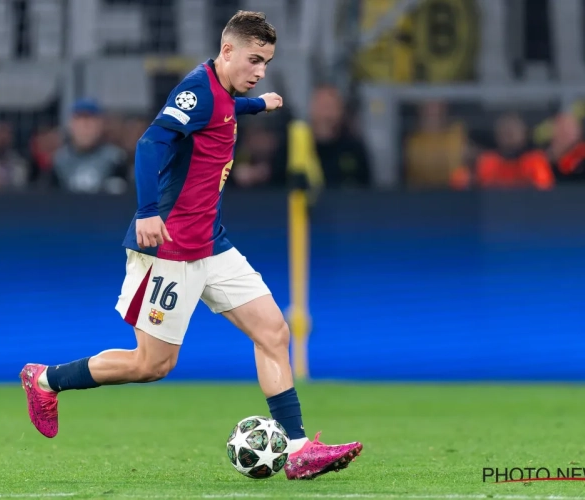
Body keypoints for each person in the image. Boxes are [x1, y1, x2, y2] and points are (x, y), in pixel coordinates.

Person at [19, 10, 362, 480]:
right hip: (171, 247)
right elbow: (149, 144)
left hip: (212, 245)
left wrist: (257, 105)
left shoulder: (223, 94)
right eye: (254, 60)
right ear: (227, 50)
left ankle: (299, 449)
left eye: (266, 63)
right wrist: (147, 211)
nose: (261, 71)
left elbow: (222, 111)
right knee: (152, 365)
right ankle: (45, 380)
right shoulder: (197, 90)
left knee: (274, 332)